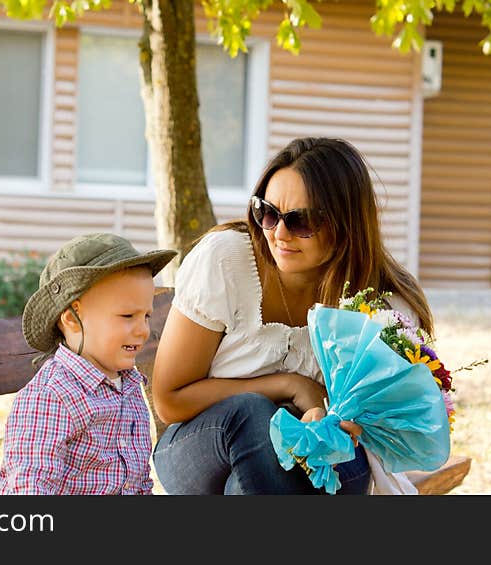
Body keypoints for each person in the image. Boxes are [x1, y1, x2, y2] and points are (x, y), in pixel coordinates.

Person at [151, 137, 435, 495]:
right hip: (201, 447)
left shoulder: (379, 307)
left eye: (301, 221)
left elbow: (390, 422)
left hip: (298, 468)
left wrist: (342, 421)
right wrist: (290, 385)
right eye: (268, 212)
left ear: (346, 225)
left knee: (261, 479)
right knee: (255, 417)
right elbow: (170, 400)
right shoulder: (226, 261)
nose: (279, 233)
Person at [0, 233, 177, 495]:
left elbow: (137, 481)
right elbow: (30, 488)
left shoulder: (130, 387)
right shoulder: (51, 396)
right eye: (127, 315)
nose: (143, 330)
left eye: (146, 316)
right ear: (70, 318)